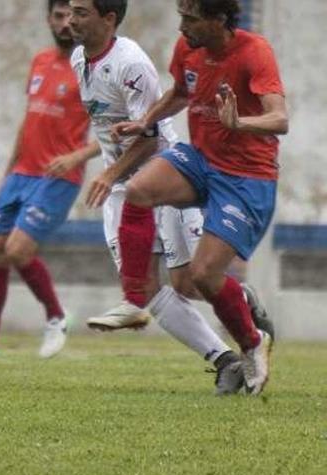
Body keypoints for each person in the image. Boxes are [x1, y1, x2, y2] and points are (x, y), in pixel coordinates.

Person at [106, 0, 286, 395]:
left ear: (219, 18)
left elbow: (280, 118)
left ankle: (253, 343)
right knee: (137, 189)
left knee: (203, 276)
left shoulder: (255, 52)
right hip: (201, 162)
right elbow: (177, 93)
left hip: (247, 177)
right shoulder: (188, 47)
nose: (181, 26)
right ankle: (135, 299)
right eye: (181, 16)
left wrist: (241, 123)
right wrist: (145, 121)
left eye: (191, 18)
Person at [68, 0, 246, 394]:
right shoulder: (79, 57)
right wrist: (102, 166)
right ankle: (226, 361)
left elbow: (149, 139)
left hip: (161, 178)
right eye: (69, 11)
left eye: (81, 12)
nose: (70, 20)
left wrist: (111, 172)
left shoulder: (132, 64)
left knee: (191, 284)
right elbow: (105, 124)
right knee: (145, 288)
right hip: (120, 187)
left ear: (109, 17)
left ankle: (249, 315)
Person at [0, 0, 99, 359]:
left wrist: (77, 156)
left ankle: (56, 317)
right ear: (49, 19)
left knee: (17, 250)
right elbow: (29, 121)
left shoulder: (91, 69)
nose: (66, 24)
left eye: (72, 16)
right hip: (21, 174)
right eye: (59, 16)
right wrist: (8, 171)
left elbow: (114, 131)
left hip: (58, 178)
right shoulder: (40, 61)